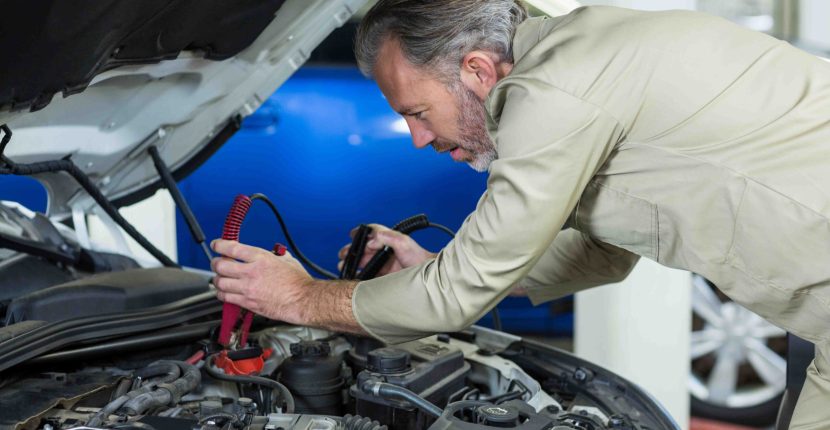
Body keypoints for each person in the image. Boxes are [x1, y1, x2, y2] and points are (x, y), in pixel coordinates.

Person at [210, 1, 830, 427]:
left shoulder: (555, 89)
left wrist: (300, 300)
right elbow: (603, 251)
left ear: (477, 71)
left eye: (418, 112)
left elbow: (456, 297)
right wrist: (431, 266)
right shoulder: (578, 57)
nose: (417, 138)